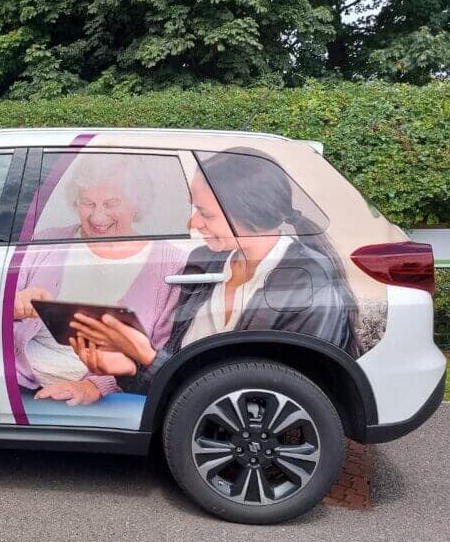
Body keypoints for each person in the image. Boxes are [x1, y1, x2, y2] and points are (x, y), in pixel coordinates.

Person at [70, 150, 362, 392]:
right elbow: (178, 378)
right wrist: (130, 368)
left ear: (251, 212)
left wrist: (147, 357)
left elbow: (276, 396)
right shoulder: (203, 262)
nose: (193, 223)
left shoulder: (308, 282)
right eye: (194, 209)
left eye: (206, 213)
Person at [13, 154, 186, 405]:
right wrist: (17, 303)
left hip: (105, 400)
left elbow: (159, 355)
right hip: (22, 384)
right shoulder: (45, 242)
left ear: (136, 203)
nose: (97, 217)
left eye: (111, 203)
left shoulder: (170, 263)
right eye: (88, 203)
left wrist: (94, 386)